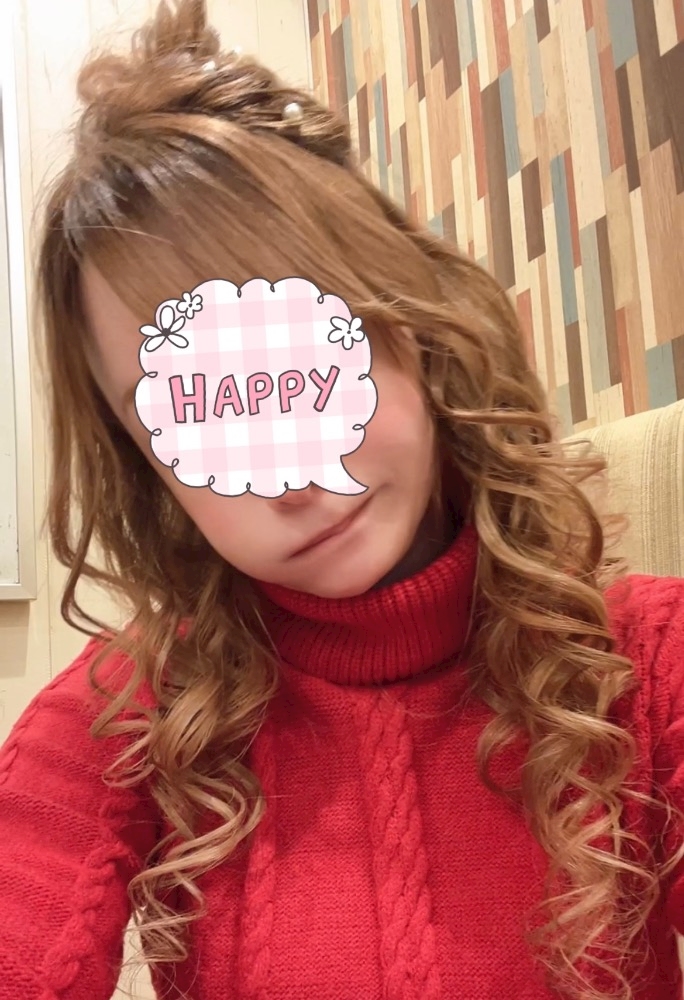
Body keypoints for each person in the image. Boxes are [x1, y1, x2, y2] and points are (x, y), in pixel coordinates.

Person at [1, 1, 683, 998]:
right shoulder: (128, 713)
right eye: (207, 415)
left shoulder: (648, 667)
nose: (292, 476)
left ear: (411, 328)